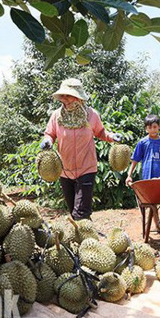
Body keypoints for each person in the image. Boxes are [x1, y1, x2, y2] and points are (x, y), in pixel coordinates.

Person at [40, 78, 122, 220]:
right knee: (73, 210)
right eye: (63, 96)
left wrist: (112, 136)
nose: (65, 99)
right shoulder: (56, 116)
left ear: (78, 96)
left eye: (68, 95)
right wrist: (47, 141)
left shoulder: (91, 115)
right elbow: (50, 134)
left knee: (80, 212)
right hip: (65, 170)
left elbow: (100, 132)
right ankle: (85, 233)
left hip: (87, 168)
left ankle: (84, 238)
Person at [125, 114, 160, 186]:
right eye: (150, 127)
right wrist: (129, 176)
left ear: (159, 126)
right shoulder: (142, 142)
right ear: (146, 129)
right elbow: (135, 160)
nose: (152, 130)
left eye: (155, 127)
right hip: (147, 177)